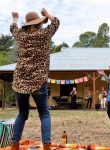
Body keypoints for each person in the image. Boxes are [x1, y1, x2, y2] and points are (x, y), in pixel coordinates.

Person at [10, 8, 59, 150]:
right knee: (44, 114)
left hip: (20, 81)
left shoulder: (20, 35)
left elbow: (13, 27)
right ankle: (47, 146)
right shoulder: (44, 34)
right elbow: (56, 21)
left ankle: (14, 145)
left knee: (22, 114)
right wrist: (47, 13)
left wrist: (14, 17)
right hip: (39, 81)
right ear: (39, 23)